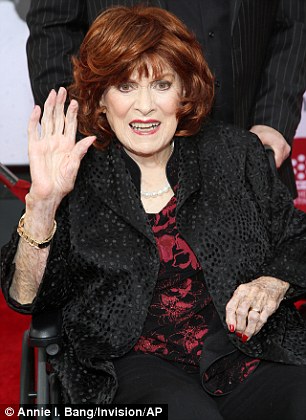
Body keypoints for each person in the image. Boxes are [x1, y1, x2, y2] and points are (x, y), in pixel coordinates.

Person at [2, 6, 306, 419]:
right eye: (125, 87)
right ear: (100, 99)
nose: (144, 107)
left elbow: (297, 238)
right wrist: (42, 203)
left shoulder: (234, 154)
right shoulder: (77, 176)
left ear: (184, 92)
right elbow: (24, 296)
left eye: (161, 85)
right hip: (131, 365)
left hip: (243, 351)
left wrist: (272, 283)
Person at [25, 0, 306, 197]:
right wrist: (86, 136)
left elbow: (294, 22)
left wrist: (273, 120)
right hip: (116, 165)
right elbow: (52, 28)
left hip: (249, 151)